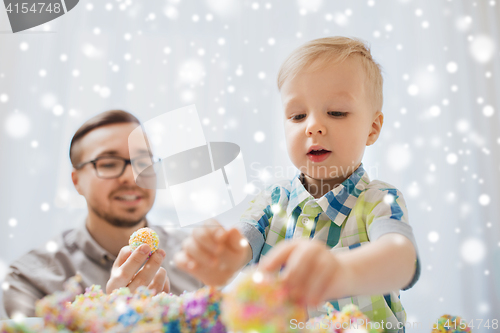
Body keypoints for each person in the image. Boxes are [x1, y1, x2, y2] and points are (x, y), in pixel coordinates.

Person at [174, 36, 421, 332]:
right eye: (297, 115)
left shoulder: (380, 199)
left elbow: (403, 260)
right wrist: (222, 257)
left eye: (337, 112)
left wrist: (341, 271)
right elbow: (242, 244)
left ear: (372, 128)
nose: (312, 125)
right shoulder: (273, 199)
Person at [2, 110, 202, 318]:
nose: (132, 177)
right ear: (76, 181)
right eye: (108, 164)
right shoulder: (30, 279)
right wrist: (112, 321)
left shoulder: (195, 257)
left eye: (143, 162)